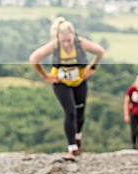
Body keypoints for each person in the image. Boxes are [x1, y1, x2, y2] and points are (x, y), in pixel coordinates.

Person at [29, 17, 105, 160]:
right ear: (58, 38)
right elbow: (34, 58)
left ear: (74, 36)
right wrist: (45, 76)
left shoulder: (81, 44)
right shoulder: (54, 46)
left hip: (79, 81)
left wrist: (92, 67)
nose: (66, 44)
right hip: (61, 82)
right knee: (70, 112)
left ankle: (77, 137)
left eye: (68, 40)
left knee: (80, 112)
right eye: (63, 41)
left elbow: (100, 51)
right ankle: (72, 148)